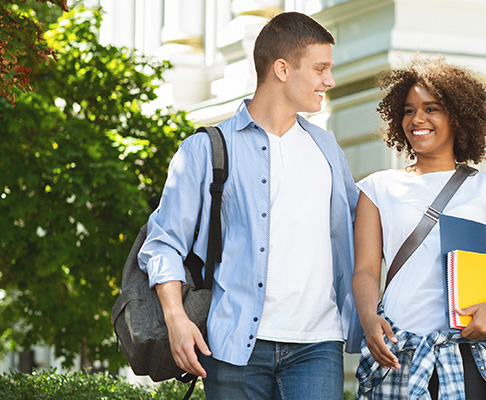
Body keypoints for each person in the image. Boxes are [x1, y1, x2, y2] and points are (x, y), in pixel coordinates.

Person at [138, 12, 361, 399]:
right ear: (282, 69)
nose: (330, 80)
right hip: (234, 347)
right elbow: (163, 243)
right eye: (321, 68)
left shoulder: (327, 149)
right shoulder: (205, 149)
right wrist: (176, 319)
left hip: (318, 345)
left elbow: (362, 230)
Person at [352, 56, 486, 400]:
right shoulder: (377, 188)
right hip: (399, 350)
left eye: (430, 108)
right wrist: (367, 317)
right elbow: (365, 269)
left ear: (457, 116)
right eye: (408, 110)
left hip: (468, 351)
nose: (417, 119)